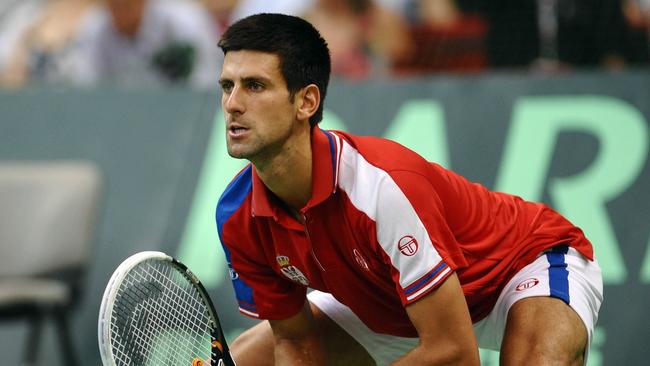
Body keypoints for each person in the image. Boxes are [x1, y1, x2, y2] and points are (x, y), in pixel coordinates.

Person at [215, 13, 603, 365]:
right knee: (248, 361)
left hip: (521, 269)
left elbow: (455, 353)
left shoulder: (380, 187)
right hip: (392, 304)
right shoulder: (237, 215)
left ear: (306, 101)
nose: (232, 104)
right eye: (227, 86)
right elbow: (296, 344)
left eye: (254, 86)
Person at [68, 0, 220, 89]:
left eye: (126, 4)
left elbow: (207, 83)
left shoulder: (182, 22)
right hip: (119, 120)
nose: (119, 6)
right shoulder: (95, 28)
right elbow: (86, 87)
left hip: (181, 117)